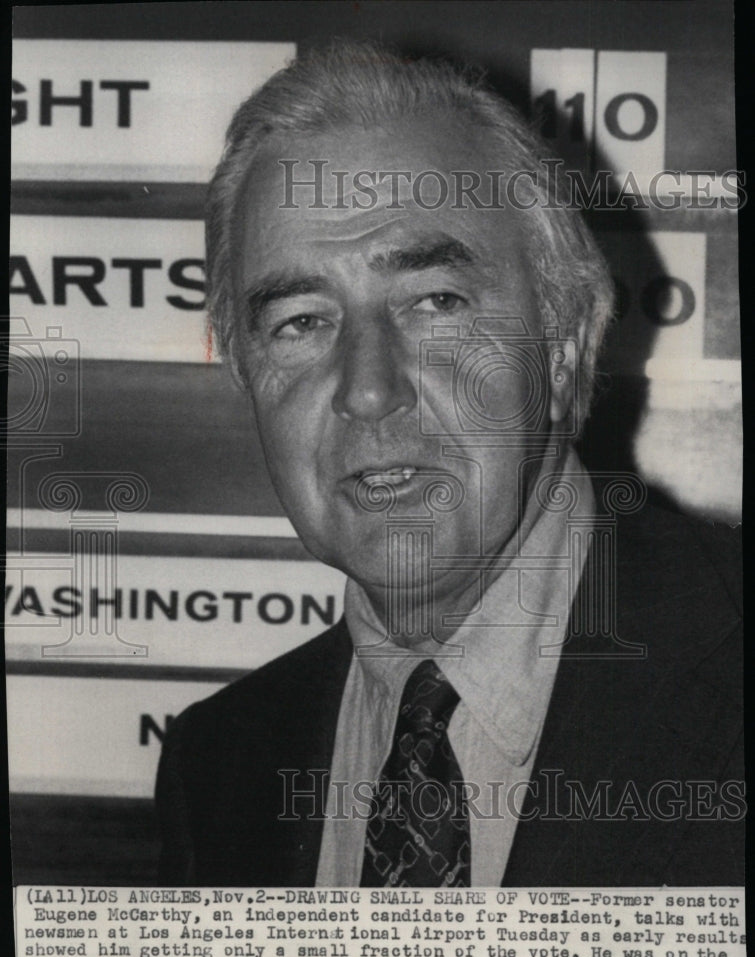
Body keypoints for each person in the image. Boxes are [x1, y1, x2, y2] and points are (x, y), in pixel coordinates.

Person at [156, 41, 743, 888]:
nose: (367, 391)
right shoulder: (220, 767)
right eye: (301, 321)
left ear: (568, 339)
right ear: (246, 375)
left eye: (436, 303)